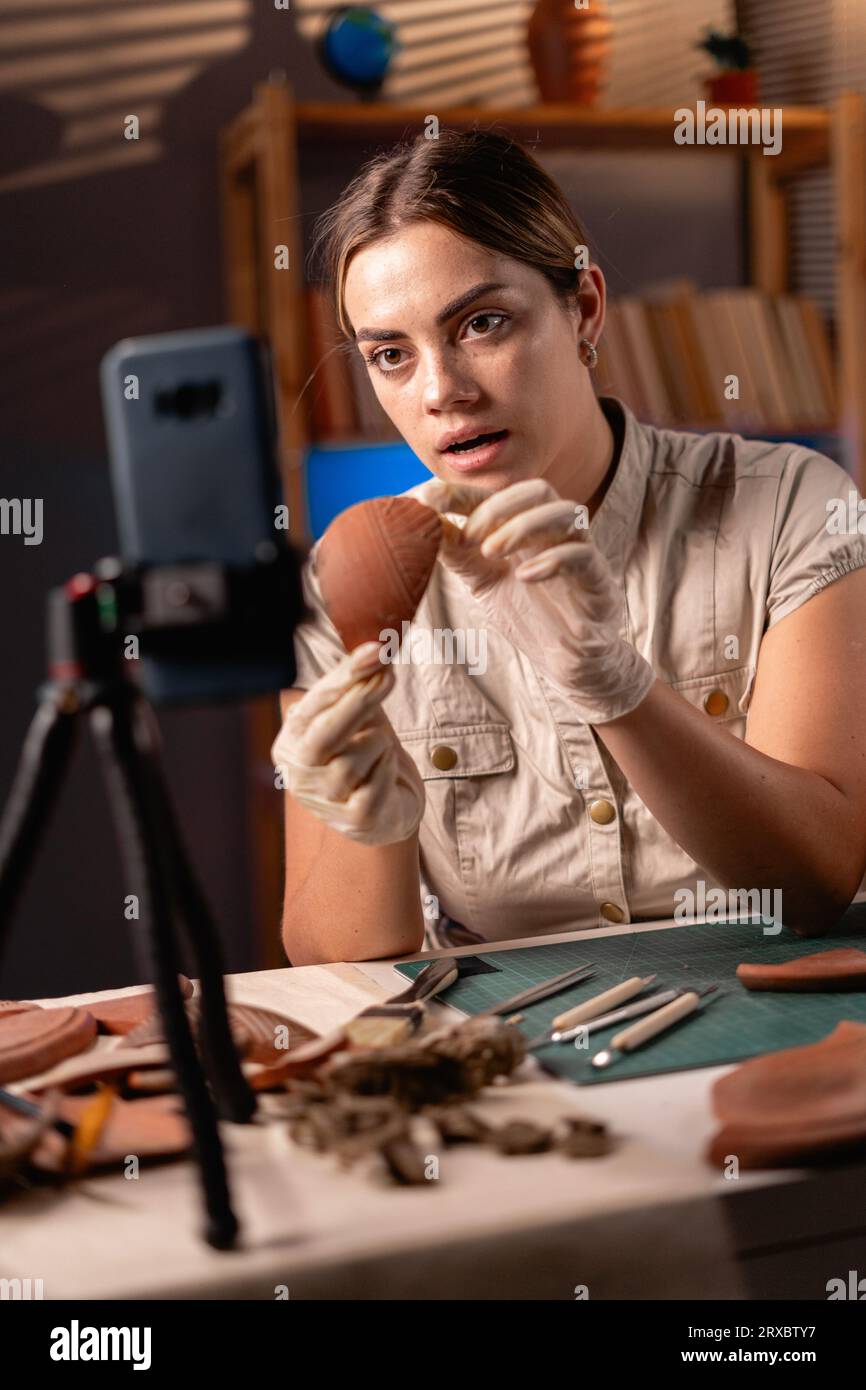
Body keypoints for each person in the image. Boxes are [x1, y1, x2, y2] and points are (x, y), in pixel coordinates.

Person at [271, 128, 866, 965]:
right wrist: (373, 827)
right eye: (391, 355)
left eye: (482, 324)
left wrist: (612, 684)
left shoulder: (789, 504)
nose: (443, 391)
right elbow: (338, 966)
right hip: (517, 1035)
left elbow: (818, 879)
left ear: (584, 308)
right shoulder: (353, 581)